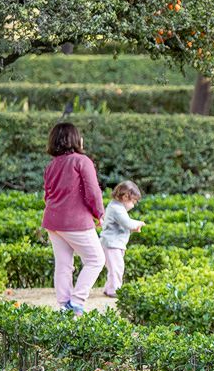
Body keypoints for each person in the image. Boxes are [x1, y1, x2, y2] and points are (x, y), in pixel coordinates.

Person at [42, 122, 105, 314]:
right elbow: (93, 191)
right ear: (76, 140)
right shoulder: (81, 160)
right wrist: (98, 213)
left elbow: (47, 194)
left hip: (53, 221)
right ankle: (76, 302)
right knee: (96, 259)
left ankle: (64, 306)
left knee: (63, 264)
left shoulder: (52, 165)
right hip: (75, 221)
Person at [99, 180, 144, 298]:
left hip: (114, 244)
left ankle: (109, 288)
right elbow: (127, 222)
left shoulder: (115, 206)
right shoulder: (117, 208)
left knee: (114, 267)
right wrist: (139, 223)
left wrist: (132, 227)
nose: (133, 205)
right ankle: (114, 290)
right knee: (117, 267)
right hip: (112, 244)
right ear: (125, 197)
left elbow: (122, 224)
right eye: (133, 201)